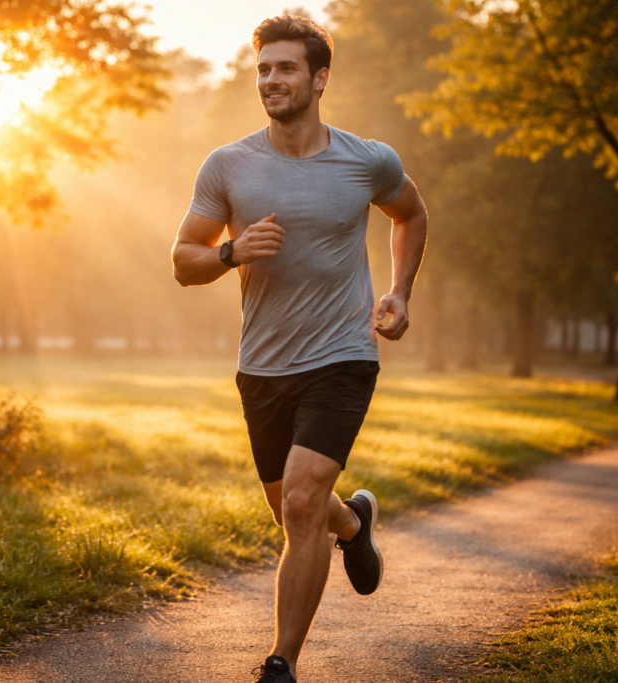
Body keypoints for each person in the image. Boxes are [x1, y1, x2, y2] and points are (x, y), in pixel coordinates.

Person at [170, 15, 428, 683]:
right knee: (300, 509)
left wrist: (399, 292)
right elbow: (183, 260)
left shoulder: (367, 160)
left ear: (319, 78)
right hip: (263, 365)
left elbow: (410, 212)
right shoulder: (228, 166)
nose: (271, 80)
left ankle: (281, 662)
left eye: (284, 68)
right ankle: (354, 524)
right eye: (263, 69)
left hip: (344, 353)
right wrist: (231, 251)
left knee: (301, 503)